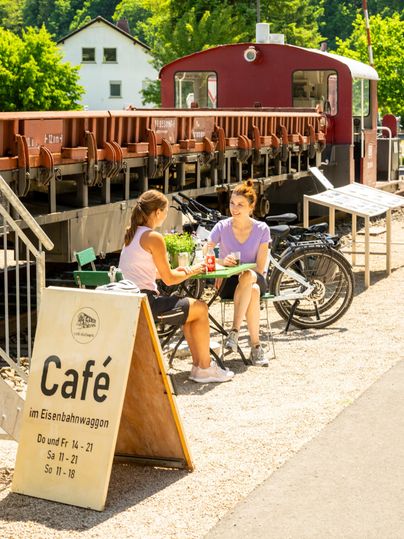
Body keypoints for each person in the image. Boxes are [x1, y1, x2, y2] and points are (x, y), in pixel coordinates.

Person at [119, 189, 234, 384]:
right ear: (157, 212)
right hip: (146, 304)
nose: (165, 215)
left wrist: (187, 270)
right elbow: (169, 279)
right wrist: (195, 270)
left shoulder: (132, 235)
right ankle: (204, 368)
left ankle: (200, 367)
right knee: (201, 308)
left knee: (192, 310)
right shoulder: (153, 237)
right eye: (165, 211)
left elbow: (150, 273)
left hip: (132, 300)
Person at [207, 180, 271, 366]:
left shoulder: (261, 229)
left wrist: (241, 267)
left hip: (256, 278)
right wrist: (220, 261)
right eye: (232, 203)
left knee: (249, 277)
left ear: (251, 207)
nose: (234, 208)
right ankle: (256, 348)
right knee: (254, 292)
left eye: (240, 204)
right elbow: (206, 250)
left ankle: (234, 331)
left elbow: (259, 268)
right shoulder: (222, 226)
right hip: (229, 283)